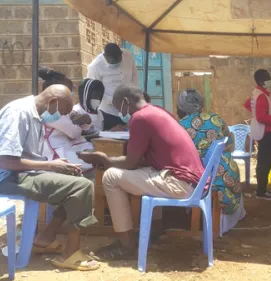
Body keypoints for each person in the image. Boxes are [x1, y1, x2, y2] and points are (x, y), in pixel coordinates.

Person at [78, 84, 204, 260]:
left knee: (110, 177)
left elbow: (130, 162)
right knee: (146, 169)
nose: (119, 113)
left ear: (125, 102)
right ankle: (155, 230)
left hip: (180, 183)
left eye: (117, 107)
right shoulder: (158, 111)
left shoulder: (140, 118)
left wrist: (103, 159)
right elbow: (141, 160)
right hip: (191, 181)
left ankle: (126, 245)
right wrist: (109, 161)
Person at [0, 84, 99, 271]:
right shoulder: (17, 113)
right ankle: (71, 254)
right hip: (5, 178)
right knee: (80, 187)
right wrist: (50, 165)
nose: (63, 117)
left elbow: (29, 157)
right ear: (52, 102)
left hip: (23, 173)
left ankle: (46, 237)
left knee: (81, 179)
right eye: (63, 111)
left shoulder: (35, 116)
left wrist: (58, 166)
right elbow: (6, 161)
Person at [177, 89, 246, 233]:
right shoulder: (215, 118)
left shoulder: (181, 125)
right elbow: (230, 144)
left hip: (206, 178)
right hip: (229, 172)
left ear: (181, 106)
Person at [42, 75, 105, 177]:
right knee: (98, 161)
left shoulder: (62, 108)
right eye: (68, 92)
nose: (70, 95)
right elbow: (74, 132)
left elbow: (79, 125)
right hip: (59, 153)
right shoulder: (51, 113)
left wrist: (85, 121)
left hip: (72, 147)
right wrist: (78, 123)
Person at [243, 69, 271, 200]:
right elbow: (261, 117)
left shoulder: (258, 94)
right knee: (265, 162)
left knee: (264, 161)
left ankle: (262, 189)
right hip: (267, 133)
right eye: (268, 77)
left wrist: (255, 112)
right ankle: (261, 192)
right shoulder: (261, 96)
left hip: (262, 132)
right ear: (261, 80)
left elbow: (247, 104)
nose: (270, 79)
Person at [86, 43, 138, 131]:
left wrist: (134, 96)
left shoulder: (128, 55)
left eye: (119, 60)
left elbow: (134, 76)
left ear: (121, 53)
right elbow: (93, 91)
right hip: (109, 112)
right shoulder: (95, 67)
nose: (117, 63)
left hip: (130, 108)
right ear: (105, 56)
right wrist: (113, 100)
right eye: (113, 62)